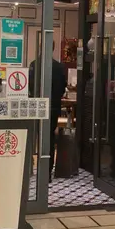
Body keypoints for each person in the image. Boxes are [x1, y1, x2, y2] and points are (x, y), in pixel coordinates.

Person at [29, 41, 67, 181]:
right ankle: (47, 172)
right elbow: (62, 88)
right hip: (53, 107)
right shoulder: (59, 67)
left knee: (35, 136)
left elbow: (30, 87)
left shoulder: (34, 65)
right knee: (49, 138)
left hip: (36, 106)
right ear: (53, 49)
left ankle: (31, 168)